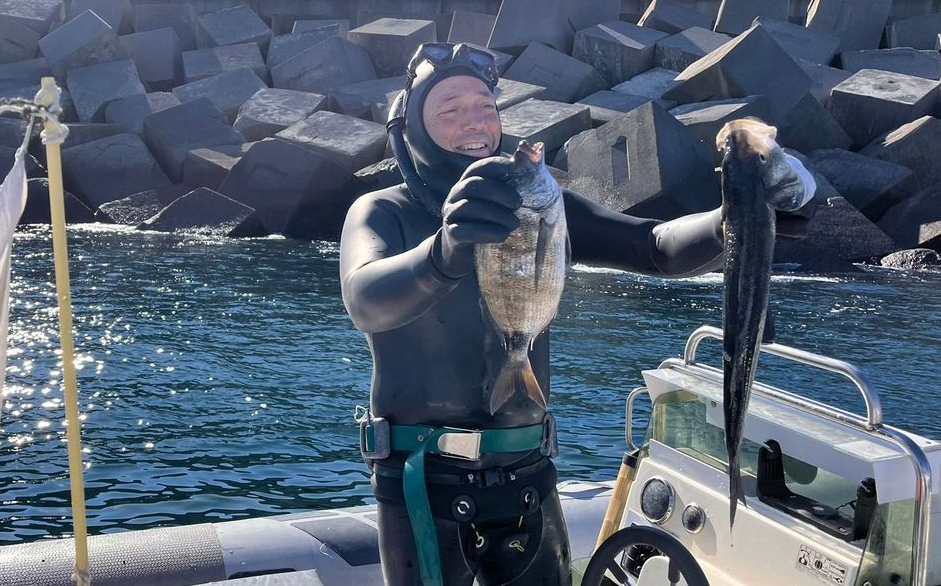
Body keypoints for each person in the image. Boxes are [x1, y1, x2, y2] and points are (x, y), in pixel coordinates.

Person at [339, 42, 815, 586]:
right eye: (448, 110)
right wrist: (443, 254)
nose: (475, 121)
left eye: (485, 107)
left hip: (528, 474)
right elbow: (365, 301)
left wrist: (734, 217)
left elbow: (654, 246)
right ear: (413, 127)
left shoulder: (538, 202)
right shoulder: (383, 210)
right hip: (423, 481)